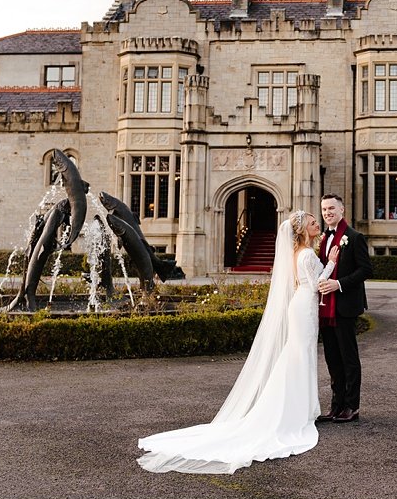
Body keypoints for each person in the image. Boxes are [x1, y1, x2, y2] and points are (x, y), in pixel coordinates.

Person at [136, 210, 339, 474]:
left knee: (297, 356)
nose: (317, 225)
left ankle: (302, 408)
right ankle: (297, 412)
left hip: (299, 307)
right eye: (313, 222)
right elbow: (316, 284)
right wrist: (332, 261)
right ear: (302, 230)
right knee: (300, 356)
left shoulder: (295, 253)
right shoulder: (308, 254)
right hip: (305, 307)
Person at [316, 193, 373, 424]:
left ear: (342, 211)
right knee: (332, 359)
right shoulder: (322, 239)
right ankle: (336, 406)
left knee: (348, 358)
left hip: (345, 306)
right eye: (324, 210)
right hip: (325, 308)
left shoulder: (354, 237)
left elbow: (366, 270)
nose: (327, 213)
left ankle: (352, 406)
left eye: (331, 208)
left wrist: (338, 284)